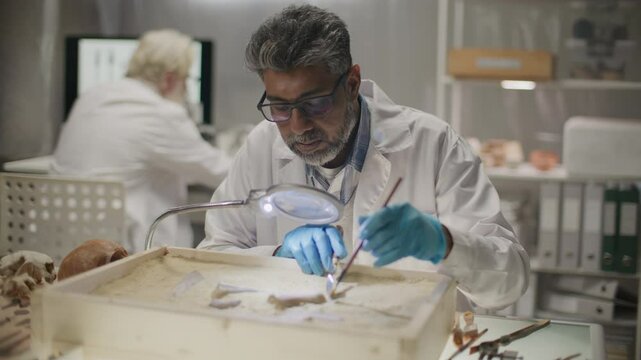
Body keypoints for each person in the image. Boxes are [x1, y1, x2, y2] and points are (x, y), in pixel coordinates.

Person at [197, 5, 529, 310]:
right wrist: (277, 255)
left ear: (352, 83)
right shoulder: (261, 146)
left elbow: (510, 283)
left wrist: (444, 243)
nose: (298, 126)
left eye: (314, 104)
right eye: (281, 107)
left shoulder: (433, 144)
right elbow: (213, 257)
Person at [52, 29, 231, 253]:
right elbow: (222, 172)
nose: (186, 89)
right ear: (169, 79)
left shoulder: (91, 96)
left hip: (65, 248)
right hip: (127, 256)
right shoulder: (161, 113)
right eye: (186, 80)